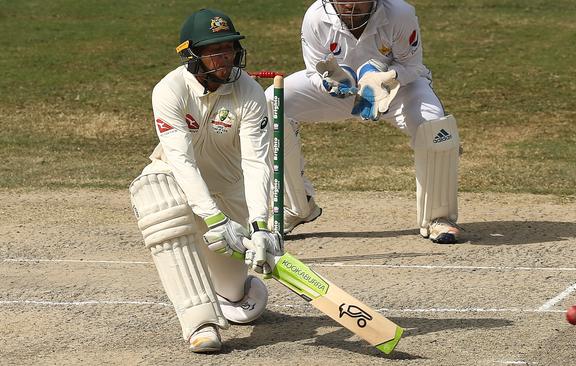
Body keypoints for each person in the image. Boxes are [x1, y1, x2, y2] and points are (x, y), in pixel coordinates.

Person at [129, 9, 282, 353]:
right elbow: (181, 161)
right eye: (214, 50)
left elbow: (257, 162)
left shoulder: (250, 92)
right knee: (158, 201)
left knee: (238, 298)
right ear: (191, 55)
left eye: (228, 48)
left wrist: (260, 225)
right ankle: (201, 324)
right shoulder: (169, 91)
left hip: (228, 190)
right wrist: (213, 218)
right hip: (174, 180)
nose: (225, 58)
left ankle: (231, 291)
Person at [265, 0, 462, 243]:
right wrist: (332, 82)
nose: (351, 5)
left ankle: (438, 217)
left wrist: (387, 77)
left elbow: (413, 67)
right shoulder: (316, 17)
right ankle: (296, 206)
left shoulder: (400, 13)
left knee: (436, 128)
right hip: (341, 92)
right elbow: (314, 73)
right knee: (274, 103)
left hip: (396, 90)